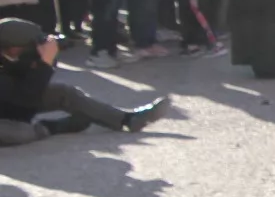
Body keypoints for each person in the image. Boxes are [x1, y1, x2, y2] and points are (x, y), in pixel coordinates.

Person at [0, 18, 169, 146]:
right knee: (21, 132)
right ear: (13, 49)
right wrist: (44, 63)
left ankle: (126, 119)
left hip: (8, 103)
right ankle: (53, 127)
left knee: (62, 93)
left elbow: (23, 85)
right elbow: (25, 98)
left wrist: (45, 61)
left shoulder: (7, 55)